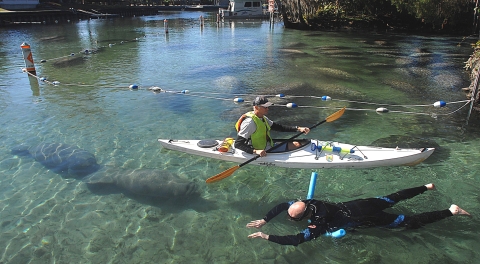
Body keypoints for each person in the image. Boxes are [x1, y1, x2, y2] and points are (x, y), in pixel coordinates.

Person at [246, 183, 471, 246]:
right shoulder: (306, 202)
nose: (289, 217)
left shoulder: (318, 224)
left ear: (304, 216)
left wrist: (268, 237)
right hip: (360, 204)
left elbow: (297, 240)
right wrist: (266, 219)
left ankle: (452, 211)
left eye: (292, 218)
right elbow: (280, 206)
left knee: (407, 222)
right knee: (393, 197)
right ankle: (425, 186)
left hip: (362, 218)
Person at [234, 96, 310, 157]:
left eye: (268, 106)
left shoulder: (262, 118)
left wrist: (298, 128)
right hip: (261, 151)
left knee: (297, 144)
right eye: (265, 107)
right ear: (256, 107)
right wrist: (255, 151)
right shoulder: (249, 123)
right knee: (297, 145)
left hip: (268, 145)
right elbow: (238, 144)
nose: (268, 109)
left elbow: (279, 127)